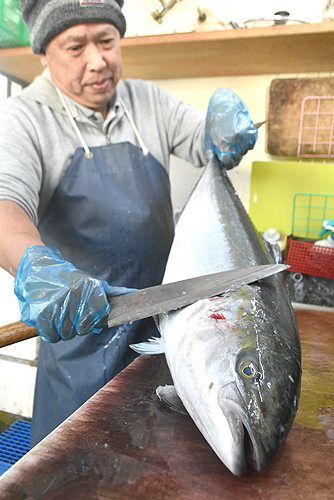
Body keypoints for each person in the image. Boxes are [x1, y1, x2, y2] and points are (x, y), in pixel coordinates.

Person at [0, 0, 258, 447]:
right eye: (75, 46)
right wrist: (33, 267)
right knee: (75, 470)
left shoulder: (147, 100)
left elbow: (206, 140)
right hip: (81, 347)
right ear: (43, 52)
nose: (98, 61)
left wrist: (220, 130)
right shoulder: (23, 119)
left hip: (166, 335)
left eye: (107, 41)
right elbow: (5, 204)